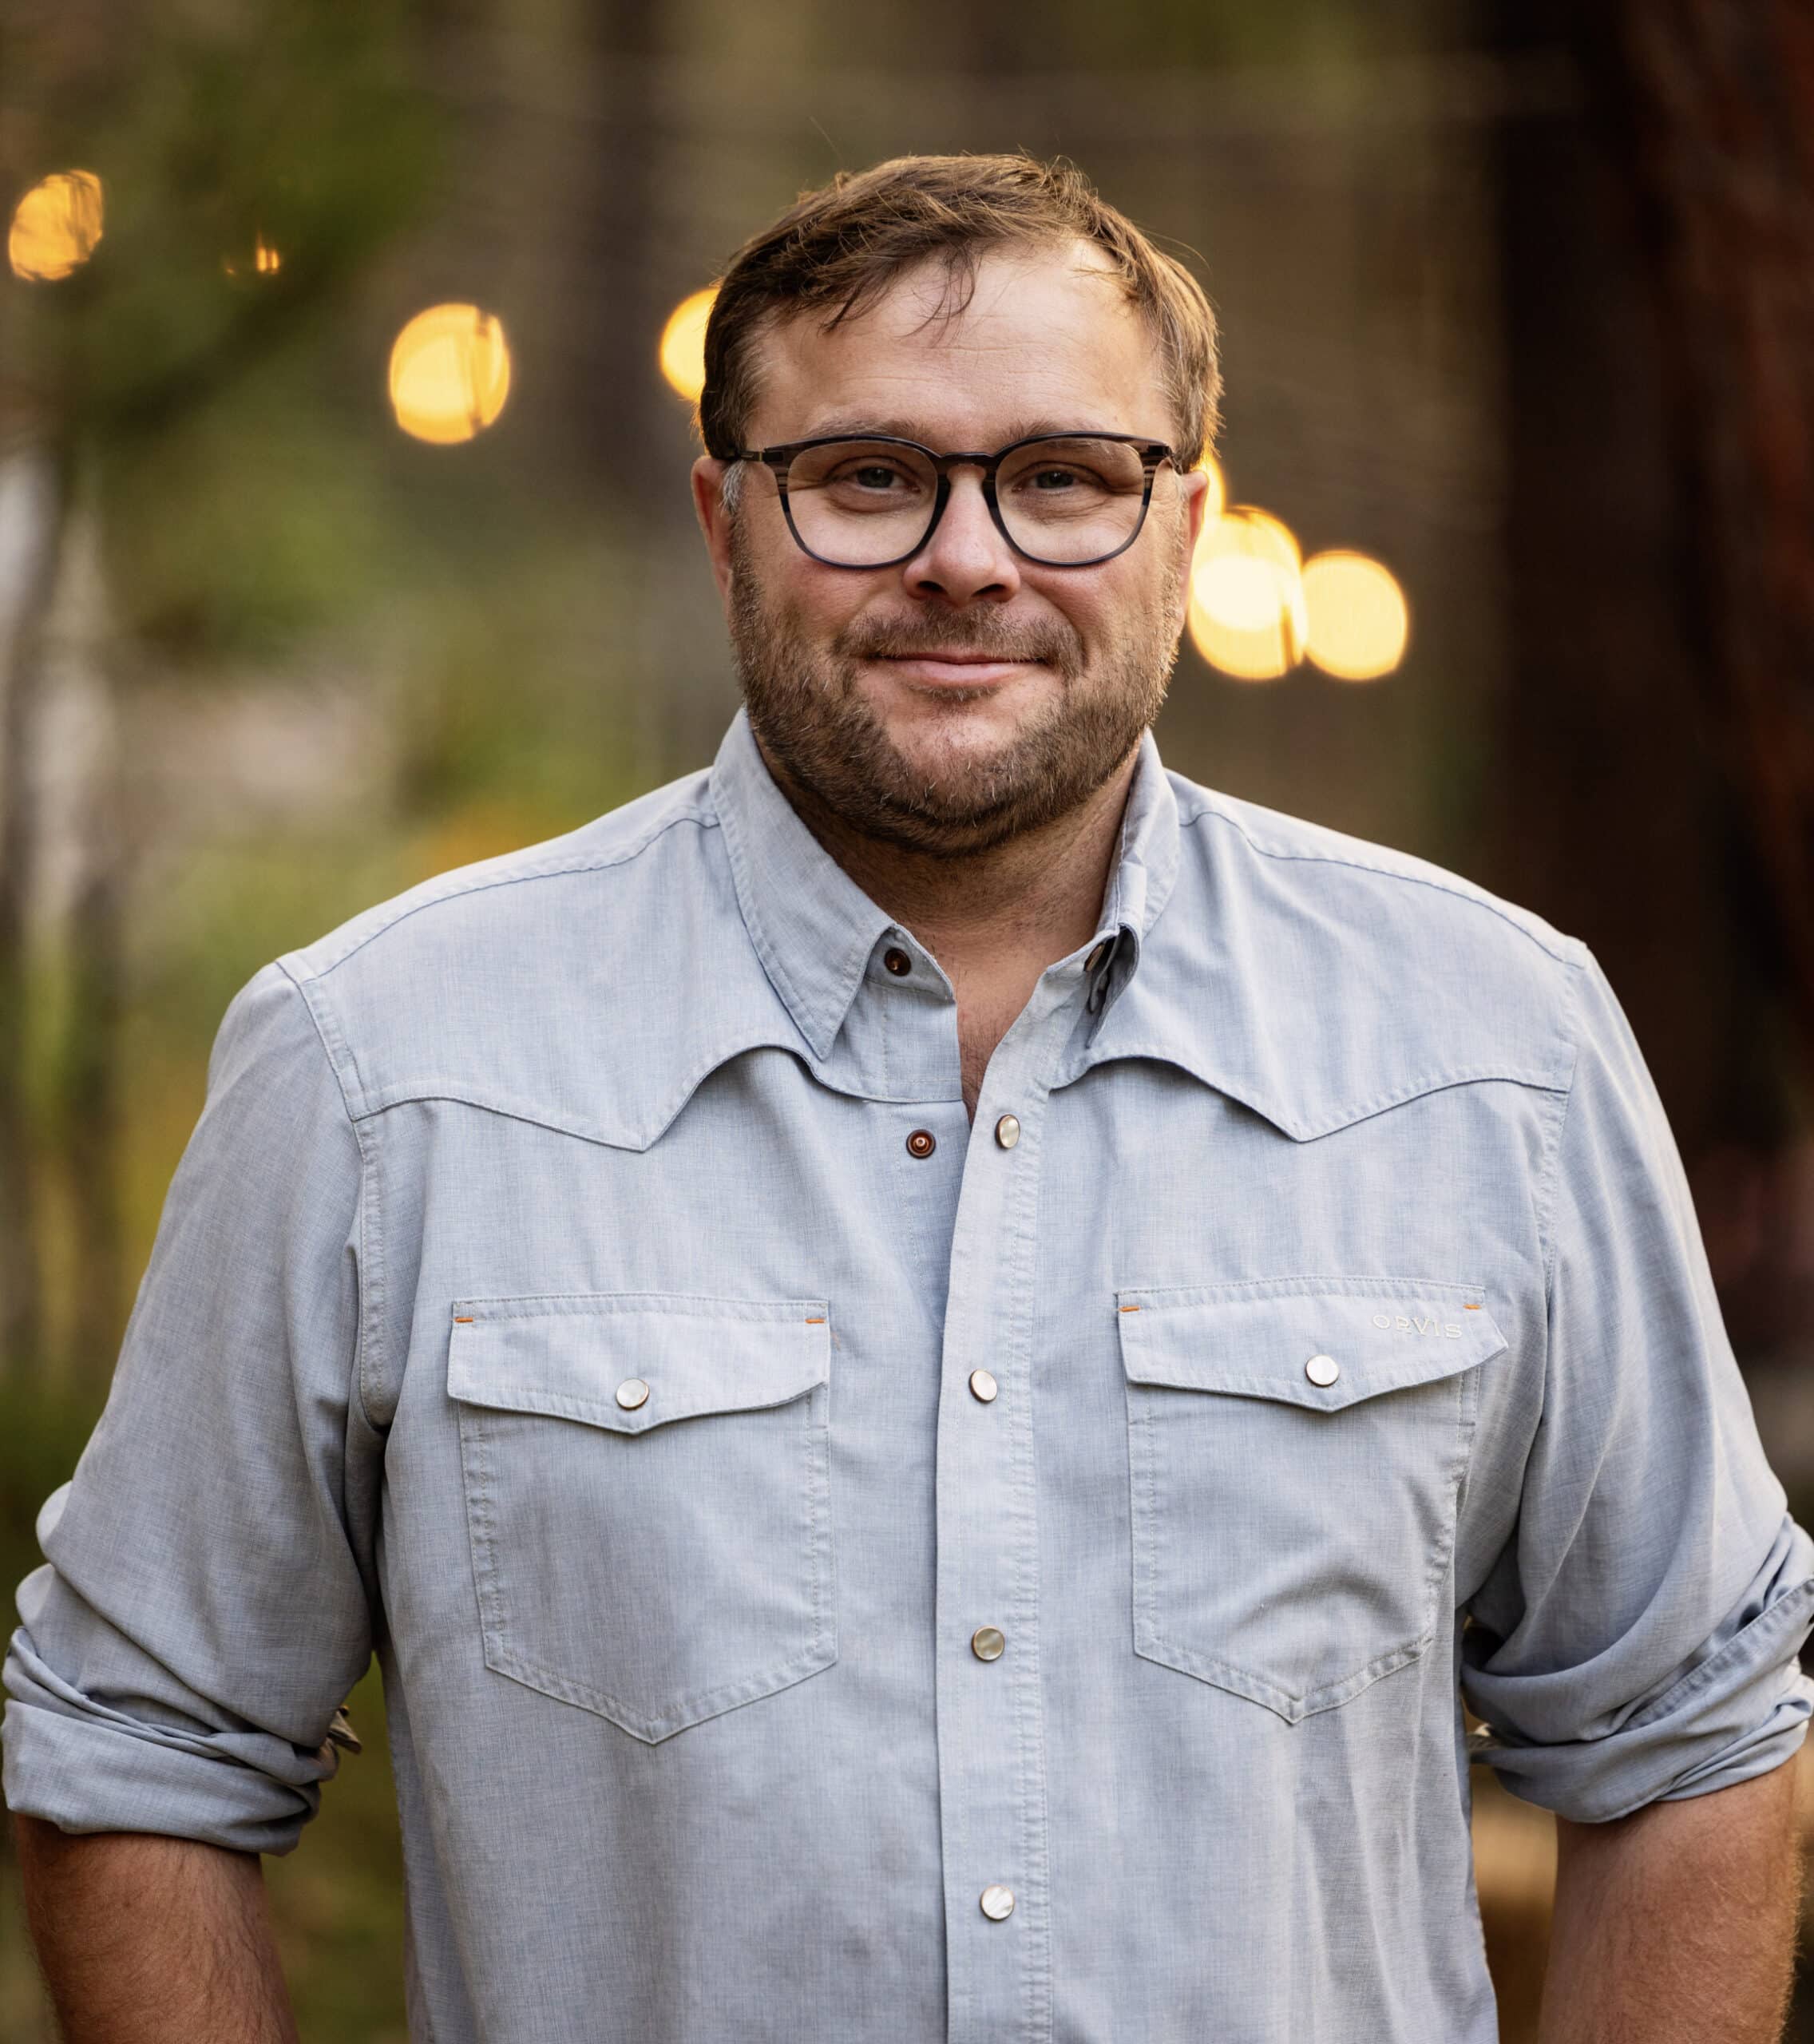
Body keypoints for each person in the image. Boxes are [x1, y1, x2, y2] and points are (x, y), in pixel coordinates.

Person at [5, 151, 1810, 2044]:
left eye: (1064, 477)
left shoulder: (1491, 1049)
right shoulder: (382, 1071)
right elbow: (133, 1748)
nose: (965, 555)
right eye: (867, 476)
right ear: (722, 522)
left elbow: (1688, 1732)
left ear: (1185, 528)